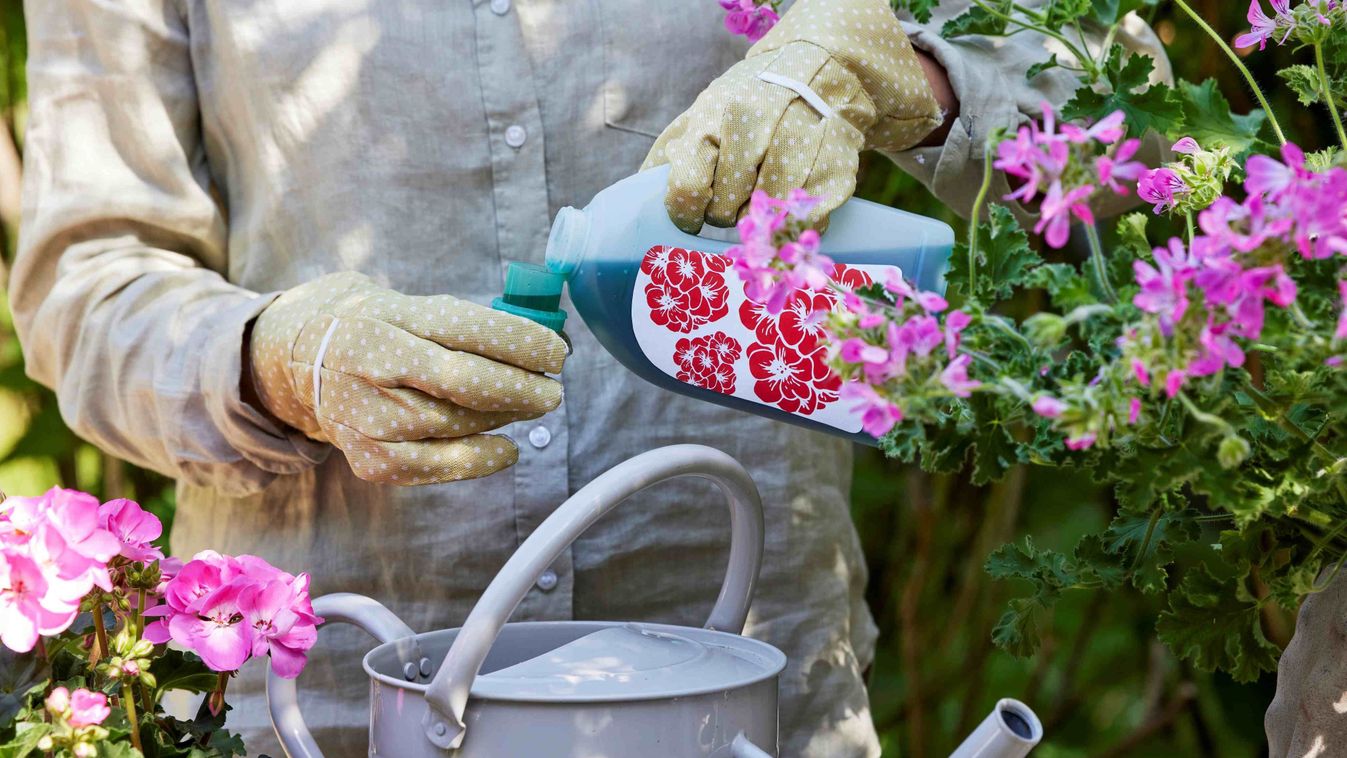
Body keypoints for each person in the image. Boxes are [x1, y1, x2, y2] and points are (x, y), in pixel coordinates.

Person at [11, 0, 1165, 754]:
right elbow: (86, 287)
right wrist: (279, 359)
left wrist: (909, 77)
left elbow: (1142, 128)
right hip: (334, 710)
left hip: (747, 700)